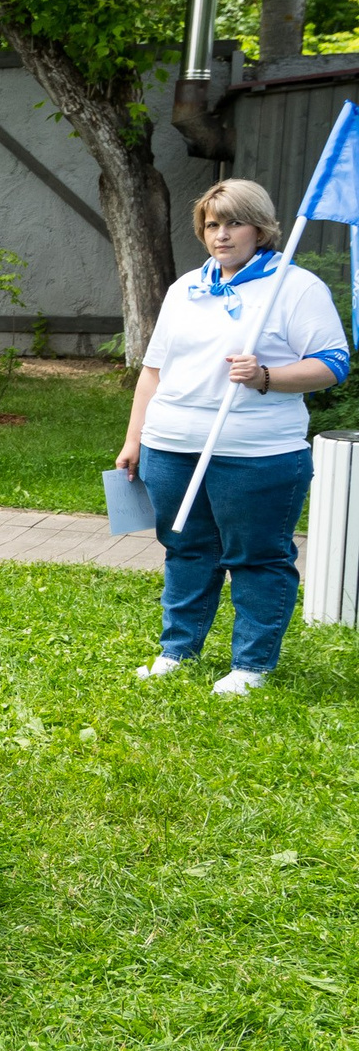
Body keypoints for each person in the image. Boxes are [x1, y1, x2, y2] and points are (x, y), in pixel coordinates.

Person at [118, 178, 348, 695]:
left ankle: (252, 665)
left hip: (257, 454)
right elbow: (153, 371)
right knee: (186, 549)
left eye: (234, 223)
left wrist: (266, 375)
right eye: (212, 224)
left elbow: (332, 364)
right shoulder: (185, 289)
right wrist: (135, 439)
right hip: (171, 445)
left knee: (257, 556)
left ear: (260, 228)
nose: (222, 235)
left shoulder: (295, 287)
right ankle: (179, 650)